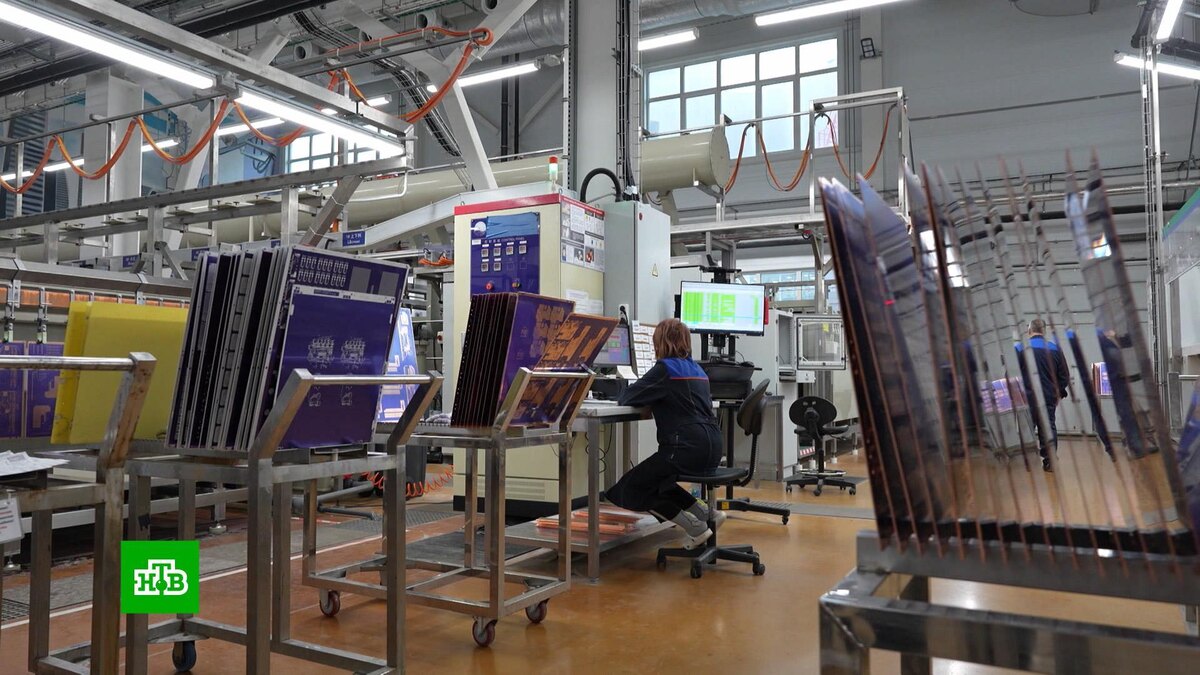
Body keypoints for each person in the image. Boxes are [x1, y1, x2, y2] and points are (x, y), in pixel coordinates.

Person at [605, 318, 724, 549]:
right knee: (660, 481)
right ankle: (707, 514)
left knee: (629, 488)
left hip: (685, 448)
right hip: (712, 447)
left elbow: (628, 397)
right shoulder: (698, 370)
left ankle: (695, 527)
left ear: (660, 342)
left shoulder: (665, 369)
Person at [1019, 319, 1070, 471]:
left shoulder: (1020, 348)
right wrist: (1058, 393)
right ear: (1044, 331)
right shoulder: (1055, 349)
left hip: (1026, 398)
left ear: (1029, 331)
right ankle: (1050, 462)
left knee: (1027, 429)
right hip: (1048, 397)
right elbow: (1064, 376)